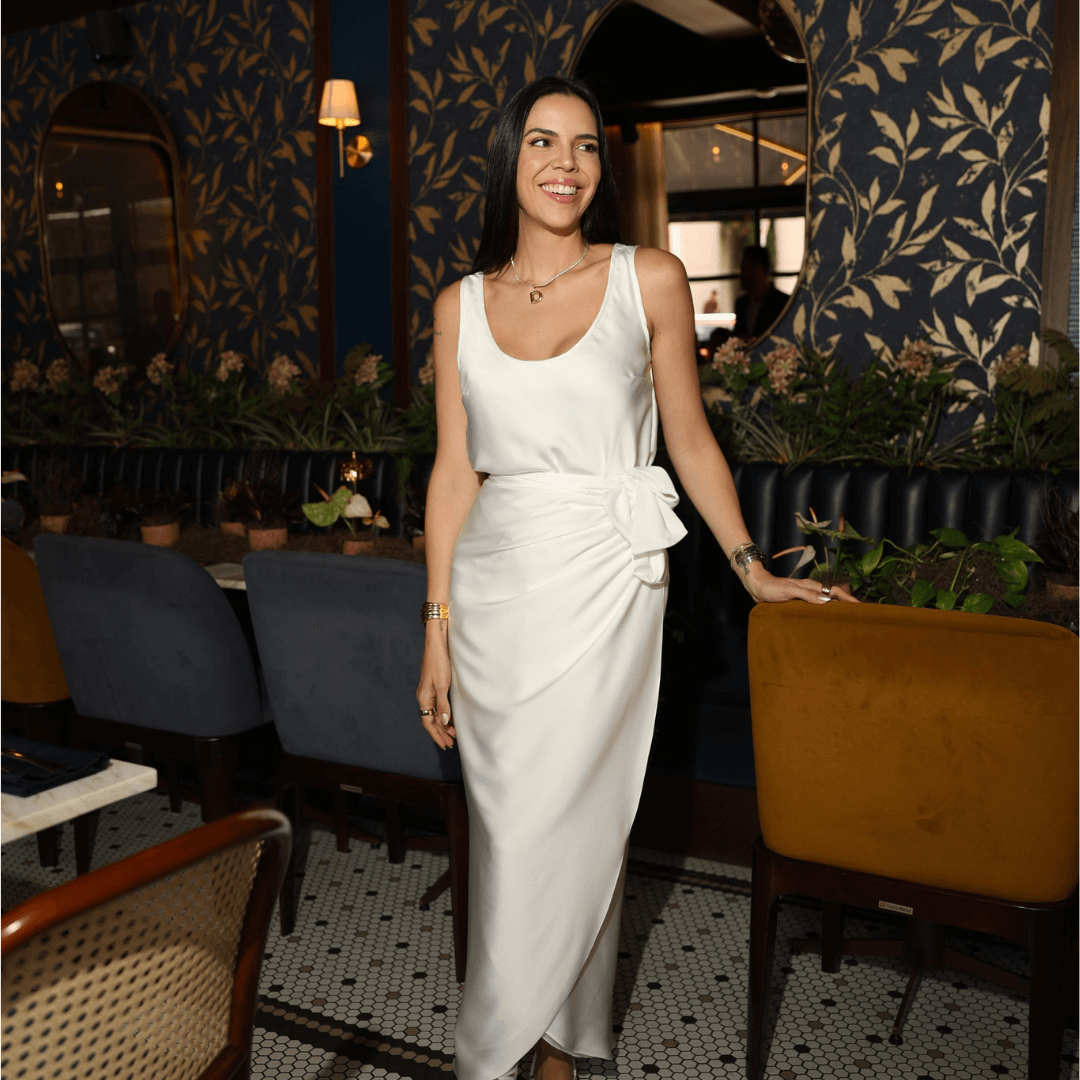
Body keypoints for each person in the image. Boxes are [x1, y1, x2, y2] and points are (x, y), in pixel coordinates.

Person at [415, 76, 854, 1080]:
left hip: (609, 581)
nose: (564, 163)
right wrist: (434, 624)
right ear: (509, 159)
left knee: (578, 819)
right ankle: (552, 1040)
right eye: (542, 141)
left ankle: (518, 1053)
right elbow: (452, 473)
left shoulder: (647, 277)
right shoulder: (458, 306)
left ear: (602, 167)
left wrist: (749, 568)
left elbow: (689, 438)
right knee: (511, 825)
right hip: (492, 591)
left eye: (584, 145)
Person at [733, 244, 788, 340]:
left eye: (745, 268)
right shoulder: (741, 304)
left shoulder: (782, 303)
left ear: (759, 269)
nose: (741, 274)